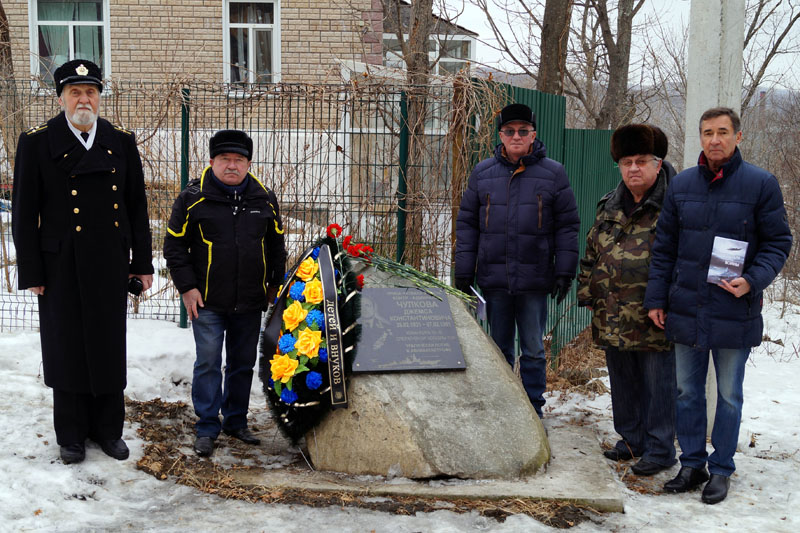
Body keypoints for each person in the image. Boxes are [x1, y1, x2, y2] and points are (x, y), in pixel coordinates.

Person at [645, 107, 792, 504]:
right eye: (707, 132)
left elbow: (779, 243)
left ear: (737, 137)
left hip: (733, 308)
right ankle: (691, 463)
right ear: (700, 137)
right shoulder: (682, 185)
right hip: (686, 308)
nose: (714, 140)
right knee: (686, 392)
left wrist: (752, 280)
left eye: (722, 132)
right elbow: (664, 249)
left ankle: (721, 468)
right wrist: (656, 298)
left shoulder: (761, 185)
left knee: (729, 395)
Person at [11, 59, 154, 465]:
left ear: (99, 97)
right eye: (75, 92)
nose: (83, 99)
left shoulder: (120, 140)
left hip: (110, 260)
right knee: (67, 345)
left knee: (108, 344)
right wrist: (33, 271)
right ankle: (71, 434)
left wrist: (141, 263)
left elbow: (135, 207)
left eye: (90, 91)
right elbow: (24, 214)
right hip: (60, 265)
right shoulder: (38, 142)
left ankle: (109, 430)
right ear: (61, 98)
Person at [164, 130, 286, 457]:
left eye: (238, 160)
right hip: (207, 301)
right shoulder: (193, 197)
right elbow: (174, 246)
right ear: (212, 162)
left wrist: (274, 285)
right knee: (208, 362)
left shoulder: (264, 198)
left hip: (249, 300)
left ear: (248, 164)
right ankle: (206, 426)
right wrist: (187, 288)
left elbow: (276, 246)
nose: (231, 166)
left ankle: (235, 420)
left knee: (242, 363)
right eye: (224, 160)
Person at [454, 103, 580, 417]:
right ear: (501, 135)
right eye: (510, 131)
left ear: (533, 135)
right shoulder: (483, 173)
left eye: (523, 131)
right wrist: (464, 270)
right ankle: (502, 408)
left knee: (534, 348)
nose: (516, 136)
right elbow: (468, 224)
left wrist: (564, 270)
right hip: (494, 279)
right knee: (498, 349)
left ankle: (534, 407)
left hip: (535, 279)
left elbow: (567, 225)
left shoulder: (553, 173)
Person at [577, 124, 676, 476]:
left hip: (654, 315)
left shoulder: (673, 205)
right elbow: (592, 250)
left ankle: (661, 449)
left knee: (658, 385)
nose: (633, 168)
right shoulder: (610, 203)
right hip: (613, 310)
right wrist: (587, 290)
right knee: (622, 380)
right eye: (626, 161)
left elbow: (684, 259)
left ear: (657, 164)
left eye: (641, 161)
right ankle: (631, 440)